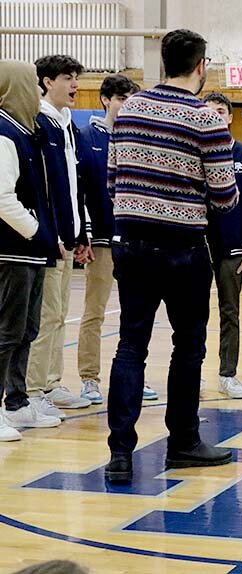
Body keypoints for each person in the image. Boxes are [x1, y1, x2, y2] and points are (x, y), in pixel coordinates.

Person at [105, 29, 238, 482]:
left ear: (163, 61)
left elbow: (112, 178)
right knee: (188, 347)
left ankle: (120, 453)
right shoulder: (206, 118)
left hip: (131, 244)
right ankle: (183, 441)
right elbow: (224, 196)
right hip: (183, 248)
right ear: (201, 66)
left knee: (130, 346)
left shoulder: (129, 110)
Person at [75, 74, 156, 405]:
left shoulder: (139, 139)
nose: (126, 105)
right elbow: (80, 191)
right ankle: (89, 379)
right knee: (94, 311)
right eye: (121, 98)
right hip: (103, 241)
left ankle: (135, 375)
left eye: (131, 99)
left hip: (135, 241)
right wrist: (87, 234)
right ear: (106, 99)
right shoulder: (86, 137)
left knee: (137, 312)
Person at [26, 54, 91, 417]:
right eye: (68, 78)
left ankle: (50, 381)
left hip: (68, 235)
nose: (75, 85)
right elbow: (42, 189)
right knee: (46, 314)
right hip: (48, 238)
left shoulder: (66, 124)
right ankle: (32, 390)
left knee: (59, 313)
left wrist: (80, 232)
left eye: (76, 78)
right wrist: (52, 233)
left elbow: (72, 186)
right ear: (47, 82)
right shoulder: (39, 124)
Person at [0, 60, 62, 439]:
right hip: (12, 250)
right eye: (33, 86)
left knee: (27, 328)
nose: (40, 94)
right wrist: (37, 231)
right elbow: (3, 198)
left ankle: (18, 402)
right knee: (7, 330)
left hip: (32, 249)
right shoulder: (4, 133)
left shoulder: (29, 132)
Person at [203, 92, 242, 399]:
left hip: (233, 248)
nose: (215, 115)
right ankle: (192, 373)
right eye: (208, 111)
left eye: (220, 111)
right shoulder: (191, 152)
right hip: (196, 246)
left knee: (230, 312)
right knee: (193, 314)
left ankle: (228, 374)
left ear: (229, 117)